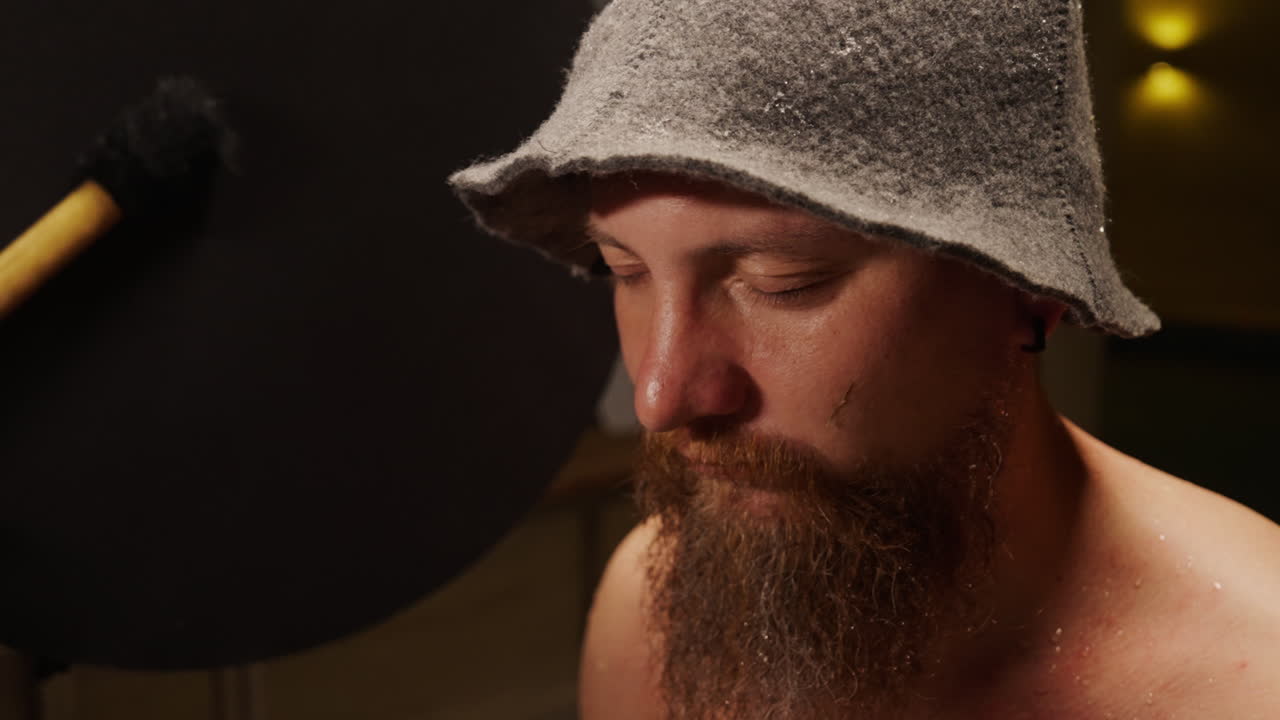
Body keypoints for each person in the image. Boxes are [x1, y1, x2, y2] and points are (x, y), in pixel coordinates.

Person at [449, 1, 1280, 717]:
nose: (660, 396)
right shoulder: (652, 612)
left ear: (1028, 289)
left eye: (784, 281)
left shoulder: (1254, 677)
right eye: (622, 271)